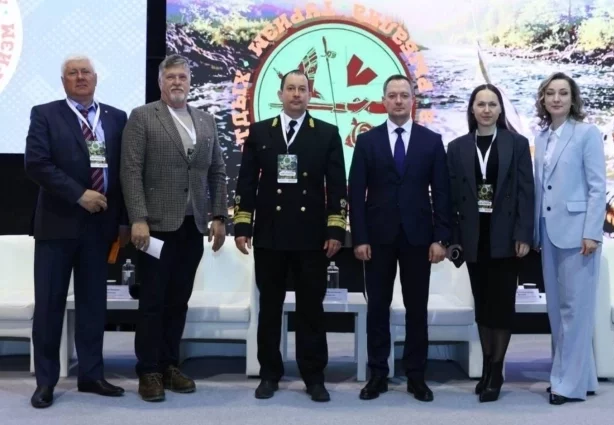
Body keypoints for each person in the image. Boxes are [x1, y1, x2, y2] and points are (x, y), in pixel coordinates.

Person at [233, 70, 347, 402]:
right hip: (270, 234)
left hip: (311, 237)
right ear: (280, 94)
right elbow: (246, 182)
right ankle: (269, 373)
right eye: (291, 89)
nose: (296, 94)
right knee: (270, 308)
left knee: (311, 309)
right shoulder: (260, 132)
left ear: (310, 95)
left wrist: (335, 228)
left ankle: (314, 376)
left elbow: (336, 187)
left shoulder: (326, 133)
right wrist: (243, 226)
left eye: (302, 89)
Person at [120, 54, 228, 402]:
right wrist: (138, 218)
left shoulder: (206, 120)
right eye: (171, 77)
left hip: (192, 226)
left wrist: (219, 215)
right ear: (160, 82)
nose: (177, 82)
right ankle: (148, 370)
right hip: (155, 227)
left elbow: (217, 172)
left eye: (182, 76)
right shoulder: (142, 117)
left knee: (179, 300)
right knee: (153, 301)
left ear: (190, 82)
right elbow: (130, 171)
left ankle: (169, 365)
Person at [24, 55, 129, 408]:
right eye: (73, 73)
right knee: (50, 305)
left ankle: (91, 375)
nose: (80, 77)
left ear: (96, 79)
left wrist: (123, 221)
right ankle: (45, 382)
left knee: (93, 305)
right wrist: (79, 194)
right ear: (63, 81)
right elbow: (36, 163)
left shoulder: (116, 117)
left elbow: (124, 173)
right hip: (57, 225)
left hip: (100, 227)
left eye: (86, 72)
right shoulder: (45, 114)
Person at [348, 74, 451, 402]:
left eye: (403, 95)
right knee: (377, 307)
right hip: (377, 239)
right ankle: (378, 374)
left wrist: (441, 238)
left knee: (416, 308)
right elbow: (356, 193)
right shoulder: (367, 141)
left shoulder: (431, 141)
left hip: (419, 238)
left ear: (412, 101)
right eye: (392, 95)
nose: (398, 101)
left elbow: (442, 194)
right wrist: (359, 237)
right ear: (383, 100)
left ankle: (416, 376)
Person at [446, 84, 534, 402]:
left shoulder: (517, 143)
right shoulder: (456, 147)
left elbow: (526, 192)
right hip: (474, 237)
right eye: (480, 104)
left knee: (502, 307)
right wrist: (452, 239)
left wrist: (524, 234)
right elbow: (451, 196)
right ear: (472, 108)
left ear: (500, 109)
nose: (486, 110)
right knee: (482, 306)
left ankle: (497, 370)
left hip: (506, 237)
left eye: (492, 104)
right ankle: (487, 366)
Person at [532, 72, 605, 405]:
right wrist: (535, 231)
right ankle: (581, 378)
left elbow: (597, 187)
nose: (556, 98)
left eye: (563, 93)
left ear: (573, 98)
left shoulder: (587, 133)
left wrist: (592, 232)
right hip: (548, 232)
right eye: (551, 93)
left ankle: (565, 385)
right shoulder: (542, 137)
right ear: (543, 99)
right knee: (557, 311)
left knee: (575, 311)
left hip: (578, 235)